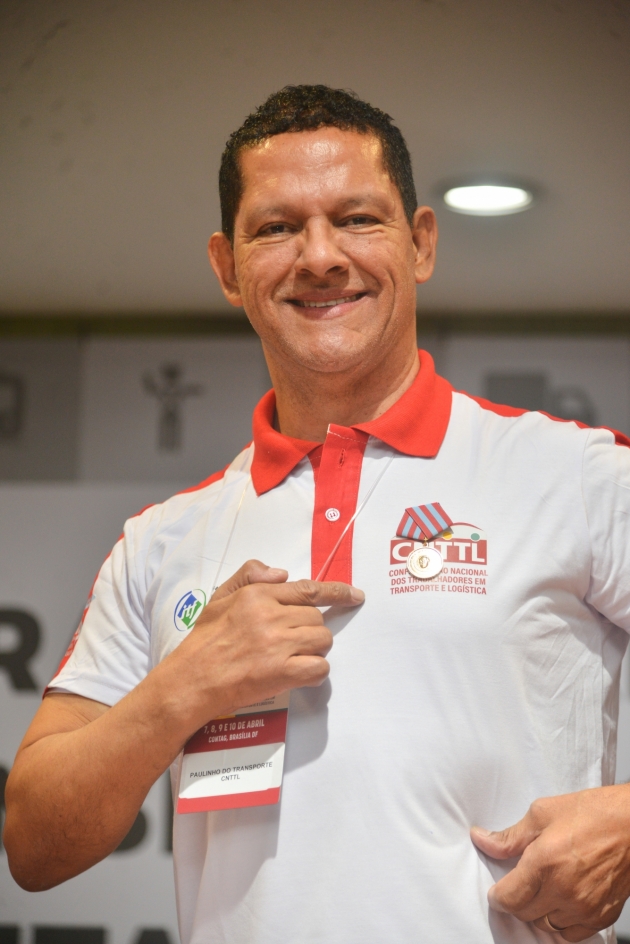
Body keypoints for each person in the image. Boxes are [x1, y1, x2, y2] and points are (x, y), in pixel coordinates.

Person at [5, 84, 630, 944]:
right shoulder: (161, 542)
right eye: (276, 228)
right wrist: (185, 686)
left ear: (421, 243)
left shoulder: (576, 475)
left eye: (358, 219)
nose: (321, 257)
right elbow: (32, 843)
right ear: (227, 267)